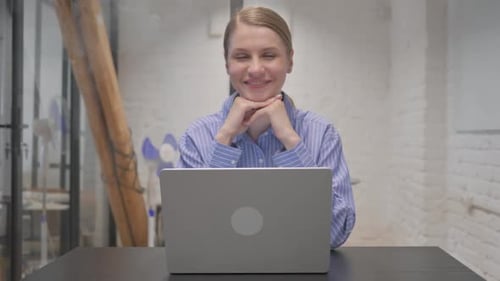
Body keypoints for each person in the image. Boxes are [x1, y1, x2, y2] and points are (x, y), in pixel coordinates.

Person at [177, 6, 355, 248]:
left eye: (269, 55)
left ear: (290, 61)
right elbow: (189, 235)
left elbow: (335, 235)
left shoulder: (322, 134)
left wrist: (290, 140)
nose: (256, 69)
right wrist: (225, 138)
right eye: (241, 56)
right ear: (227, 63)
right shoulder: (197, 136)